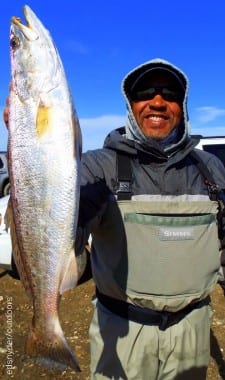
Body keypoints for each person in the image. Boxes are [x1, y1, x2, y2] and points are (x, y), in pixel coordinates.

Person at [4, 58, 225, 379]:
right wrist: (28, 148)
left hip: (193, 330)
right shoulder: (99, 168)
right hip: (123, 331)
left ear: (183, 104)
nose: (158, 102)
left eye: (170, 94)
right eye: (145, 92)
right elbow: (62, 232)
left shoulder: (211, 169)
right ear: (130, 104)